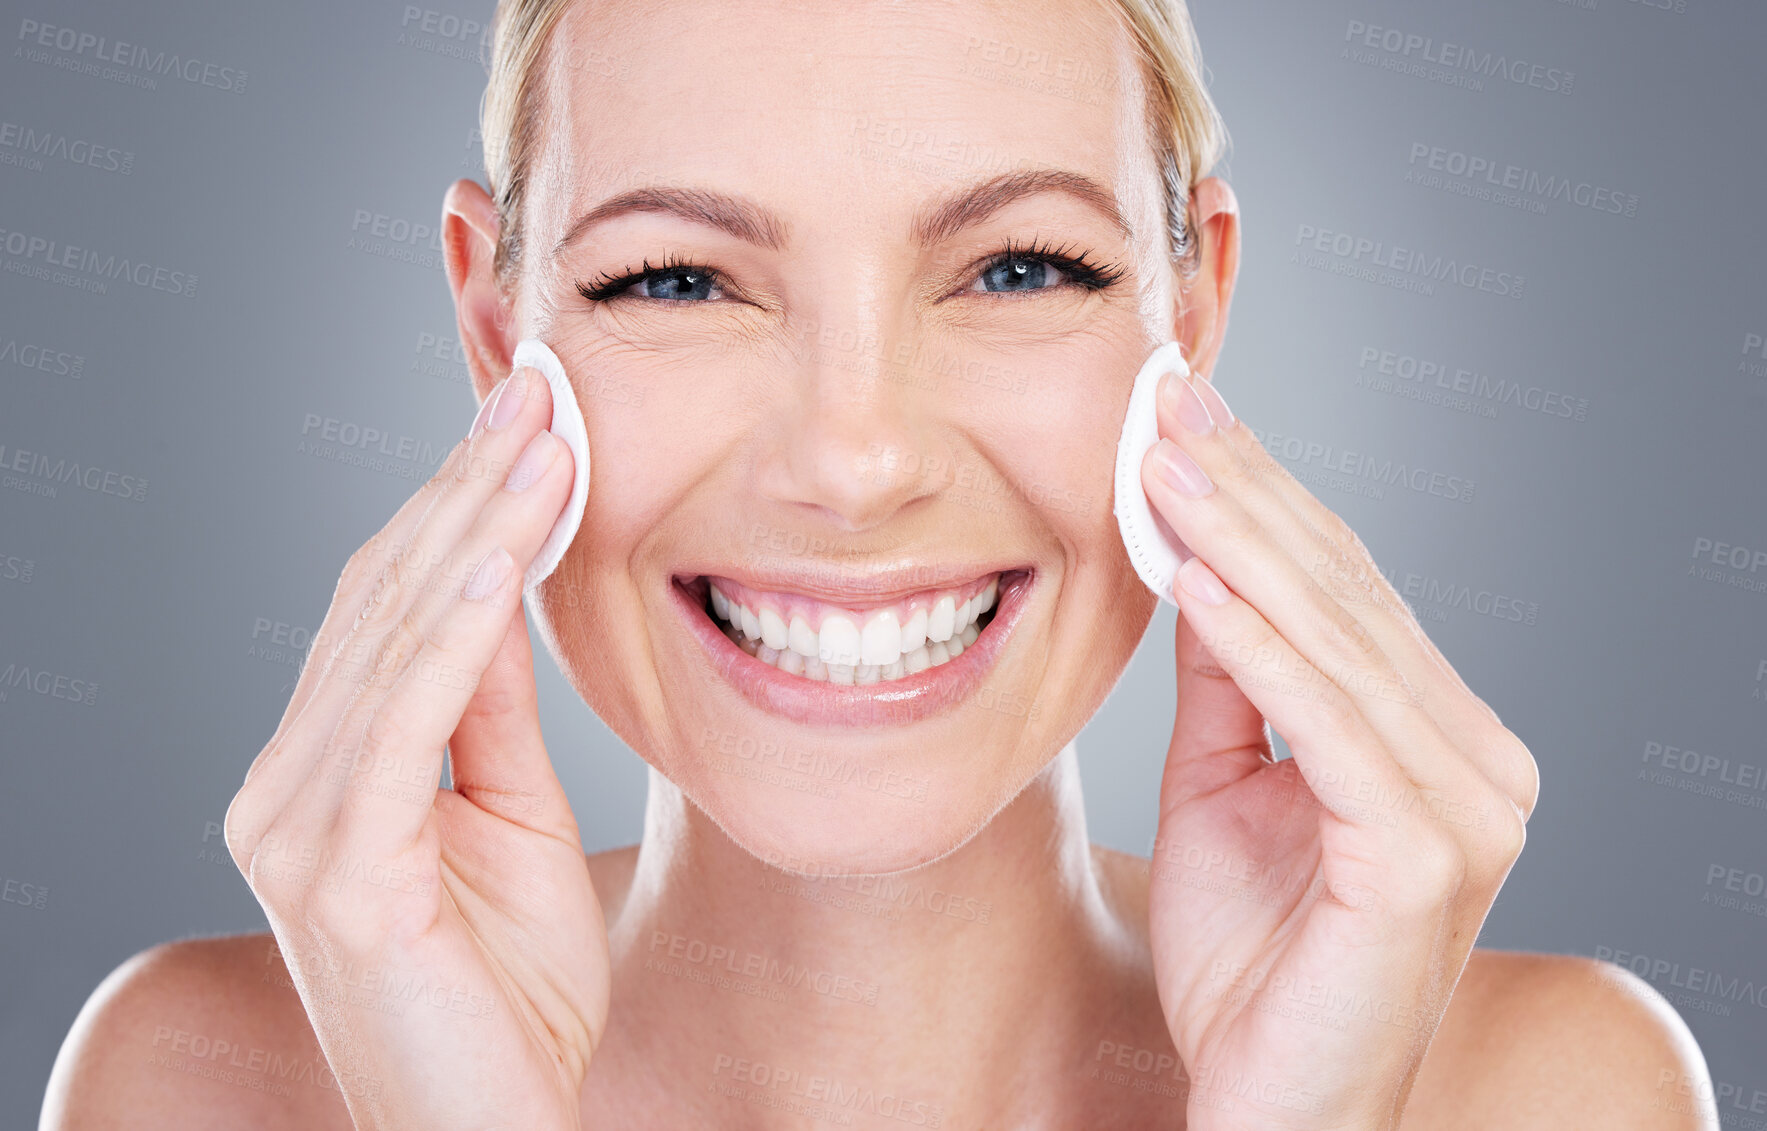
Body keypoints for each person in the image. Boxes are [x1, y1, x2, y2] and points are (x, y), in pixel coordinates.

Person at [42, 0, 1715, 1127]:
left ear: (1190, 315)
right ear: (497, 337)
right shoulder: (198, 1083)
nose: (856, 461)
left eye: (1021, 268)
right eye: (677, 283)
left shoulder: (1551, 1093)